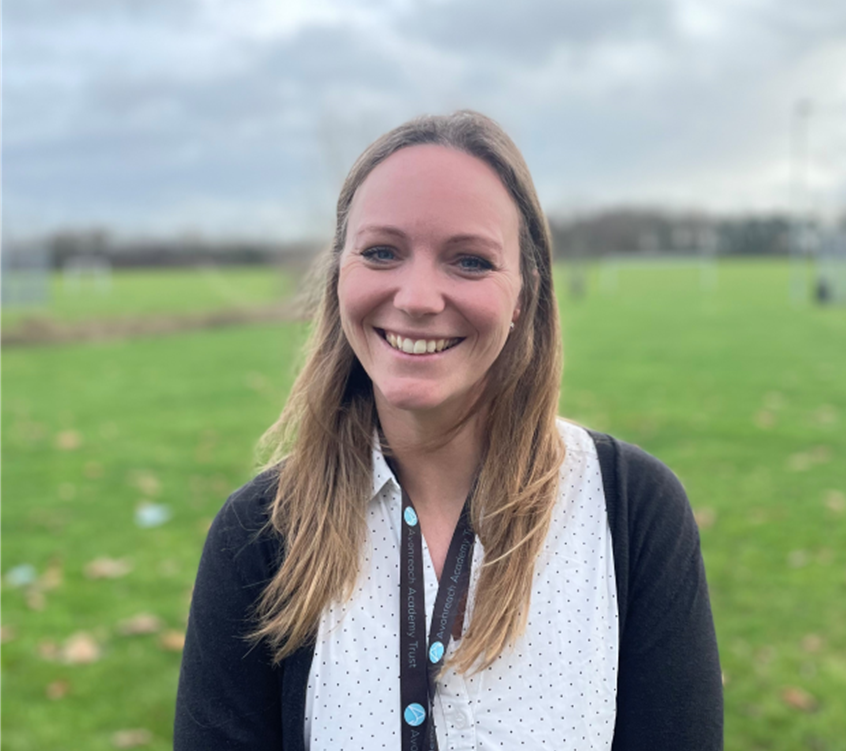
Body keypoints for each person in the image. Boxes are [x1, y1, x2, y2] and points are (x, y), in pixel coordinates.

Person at [174, 111, 723, 750]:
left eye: (469, 261)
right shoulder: (259, 534)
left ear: (524, 296)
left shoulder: (632, 512)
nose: (418, 298)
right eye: (381, 252)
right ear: (340, 275)